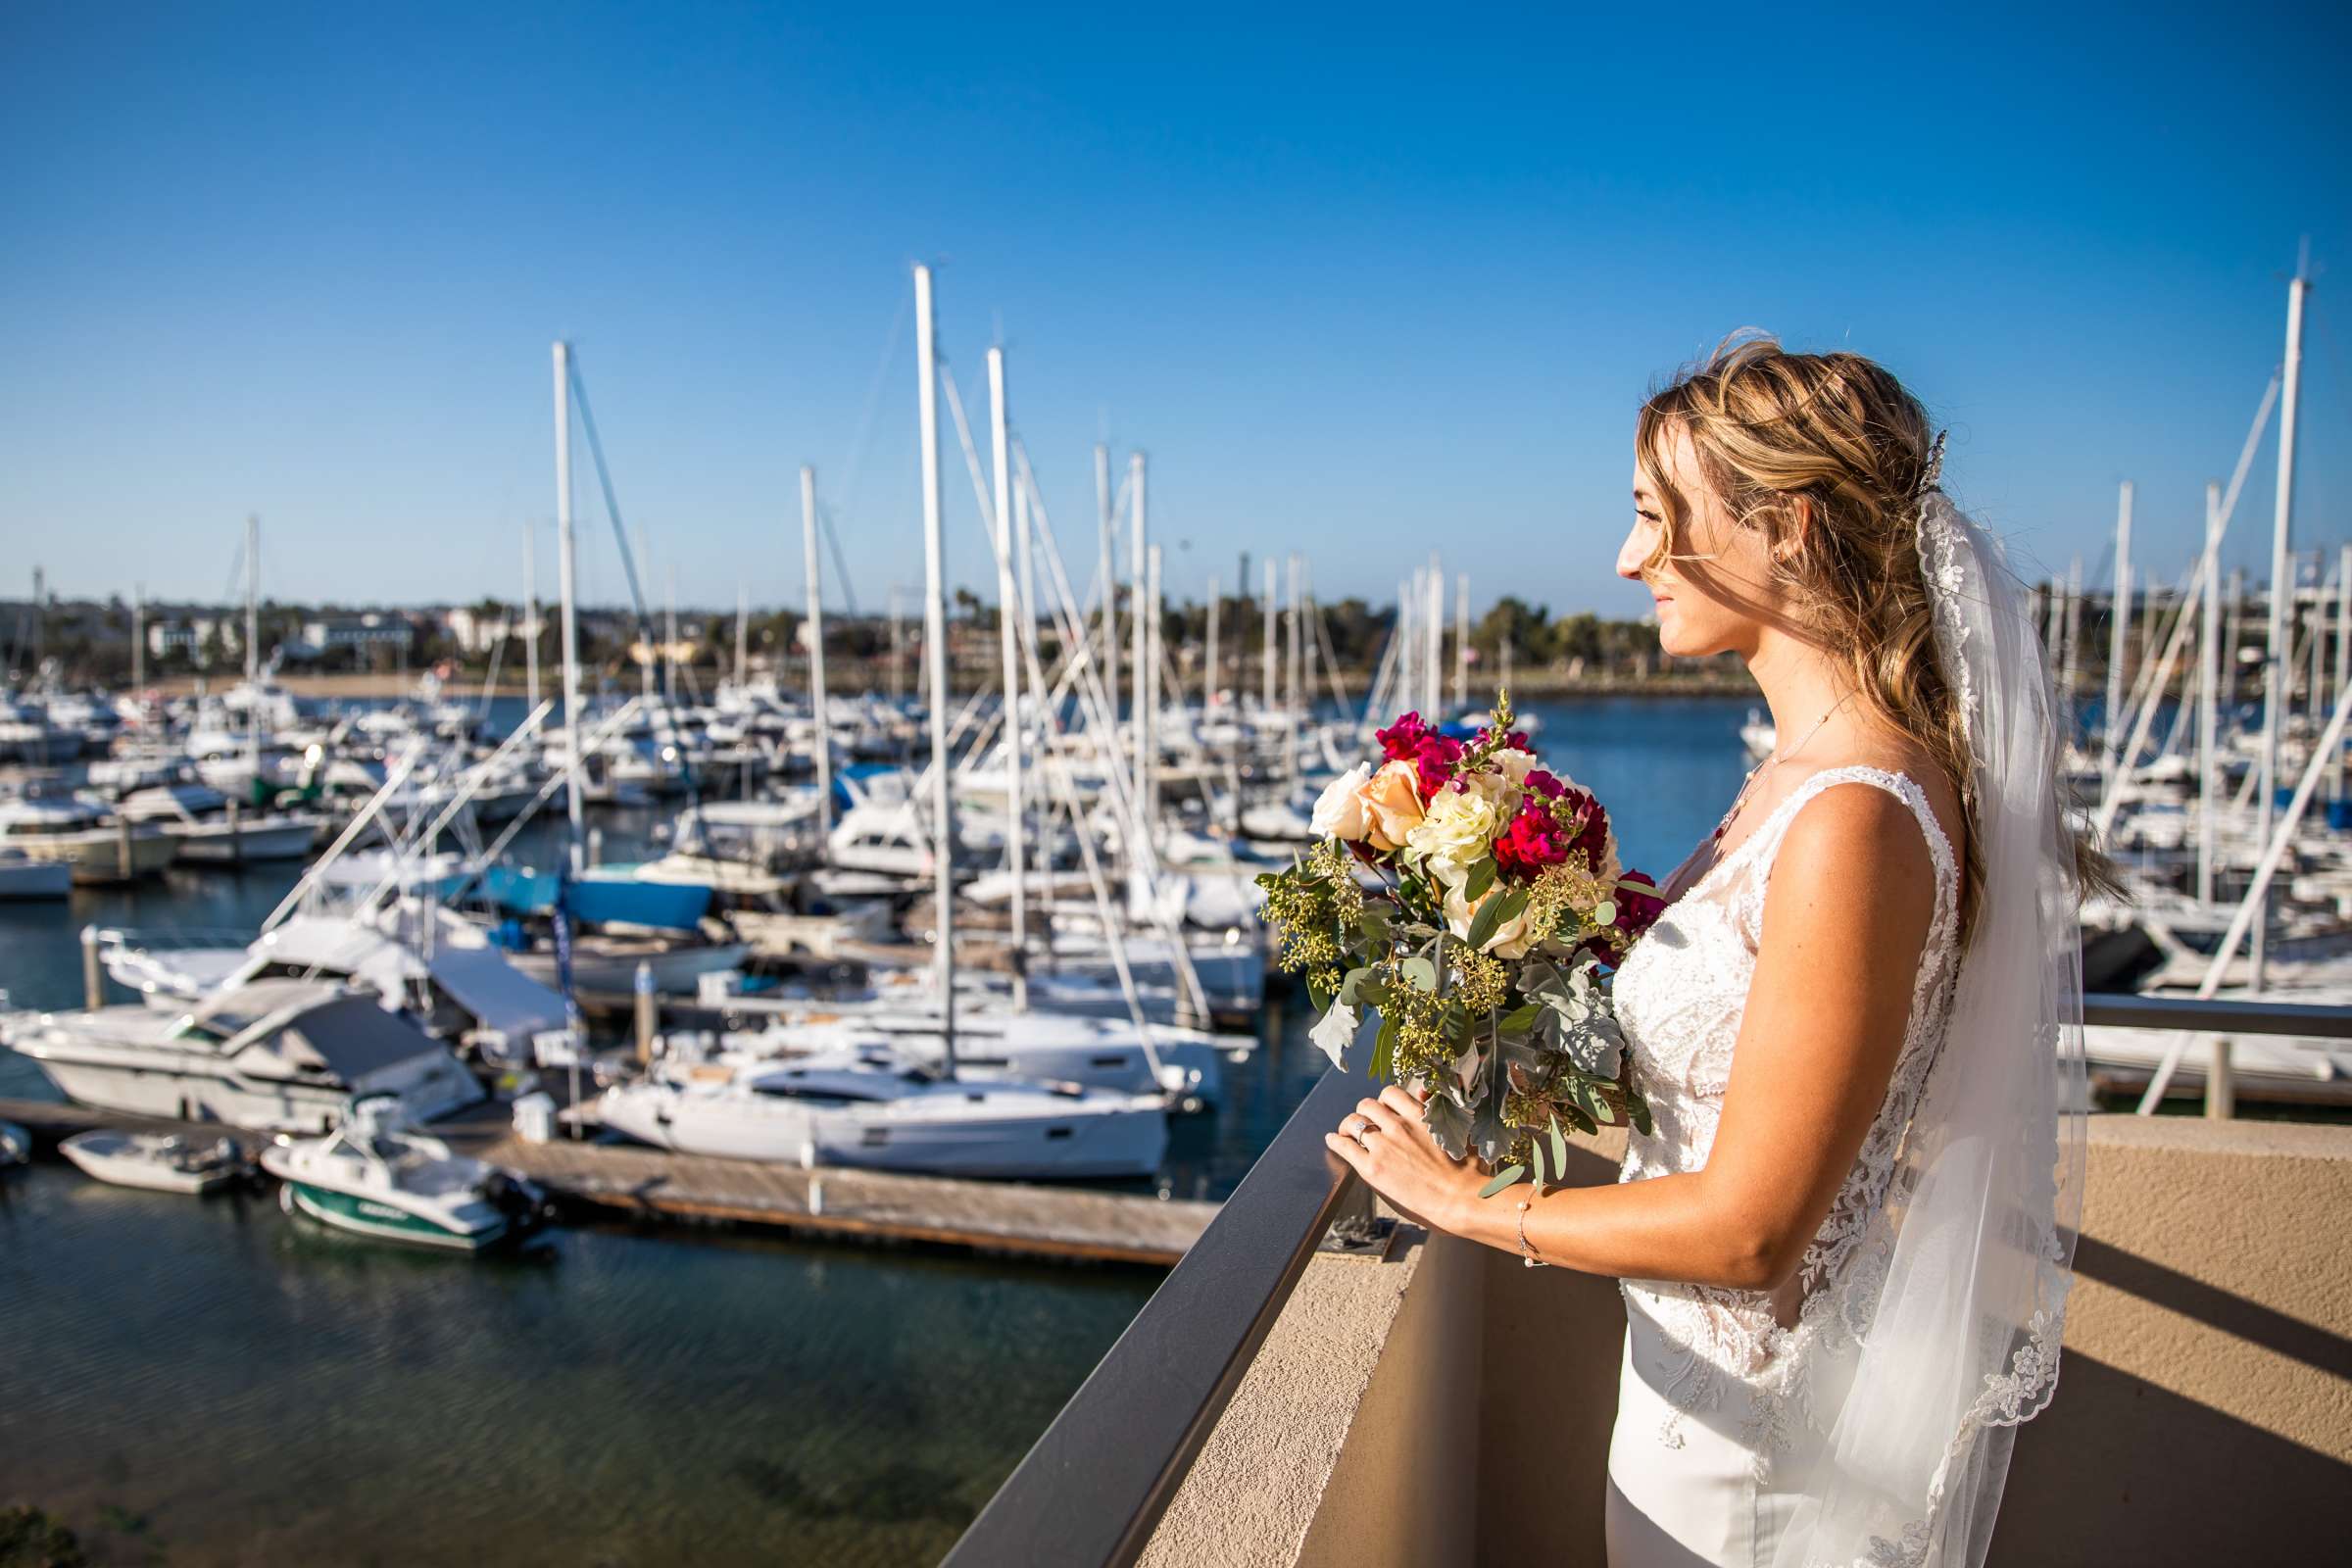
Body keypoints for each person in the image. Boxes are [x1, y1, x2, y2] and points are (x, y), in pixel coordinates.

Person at [1325, 335, 2104, 1568]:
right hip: (1693, 1416)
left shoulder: (1855, 818)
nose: (1629, 560)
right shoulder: (1801, 781)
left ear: (1785, 526)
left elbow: (1754, 1228)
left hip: (1756, 1480)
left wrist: (1473, 1205)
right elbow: (1745, 1067)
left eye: (1652, 517)